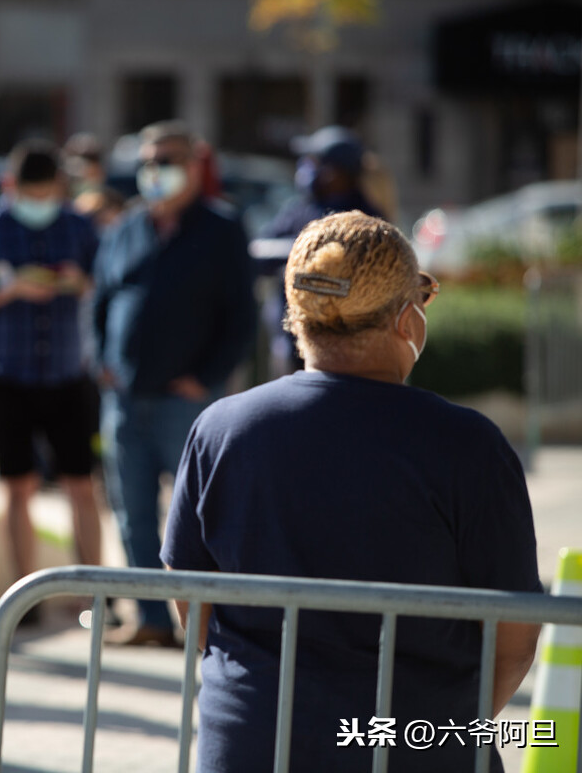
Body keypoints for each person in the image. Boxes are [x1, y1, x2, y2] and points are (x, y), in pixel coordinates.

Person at [161, 211, 542, 772]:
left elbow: (190, 603)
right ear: (405, 319)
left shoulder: (221, 429)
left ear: (297, 316)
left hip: (252, 740)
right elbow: (515, 633)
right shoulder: (467, 445)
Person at [92, 120, 257, 647]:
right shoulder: (126, 228)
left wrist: (205, 379)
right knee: (133, 516)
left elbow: (241, 318)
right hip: (124, 401)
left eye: (166, 160)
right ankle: (152, 622)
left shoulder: (221, 228)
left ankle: (209, 625)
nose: (154, 171)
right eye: (147, 161)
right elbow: (100, 302)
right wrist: (103, 361)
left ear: (193, 167)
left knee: (202, 517)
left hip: (186, 404)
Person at [0, 140, 103, 587]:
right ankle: (23, 598)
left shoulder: (78, 226)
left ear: (59, 186)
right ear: (11, 185)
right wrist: (9, 287)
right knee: (18, 487)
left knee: (81, 486)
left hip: (67, 372)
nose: (38, 204)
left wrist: (78, 282)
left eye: (45, 194)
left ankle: (91, 597)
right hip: (6, 373)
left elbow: (104, 282)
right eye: (30, 194)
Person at [258, 125, 388, 377]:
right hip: (292, 342)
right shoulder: (301, 208)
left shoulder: (365, 219)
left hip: (345, 349)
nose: (306, 169)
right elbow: (263, 250)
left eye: (314, 162)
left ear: (336, 172)